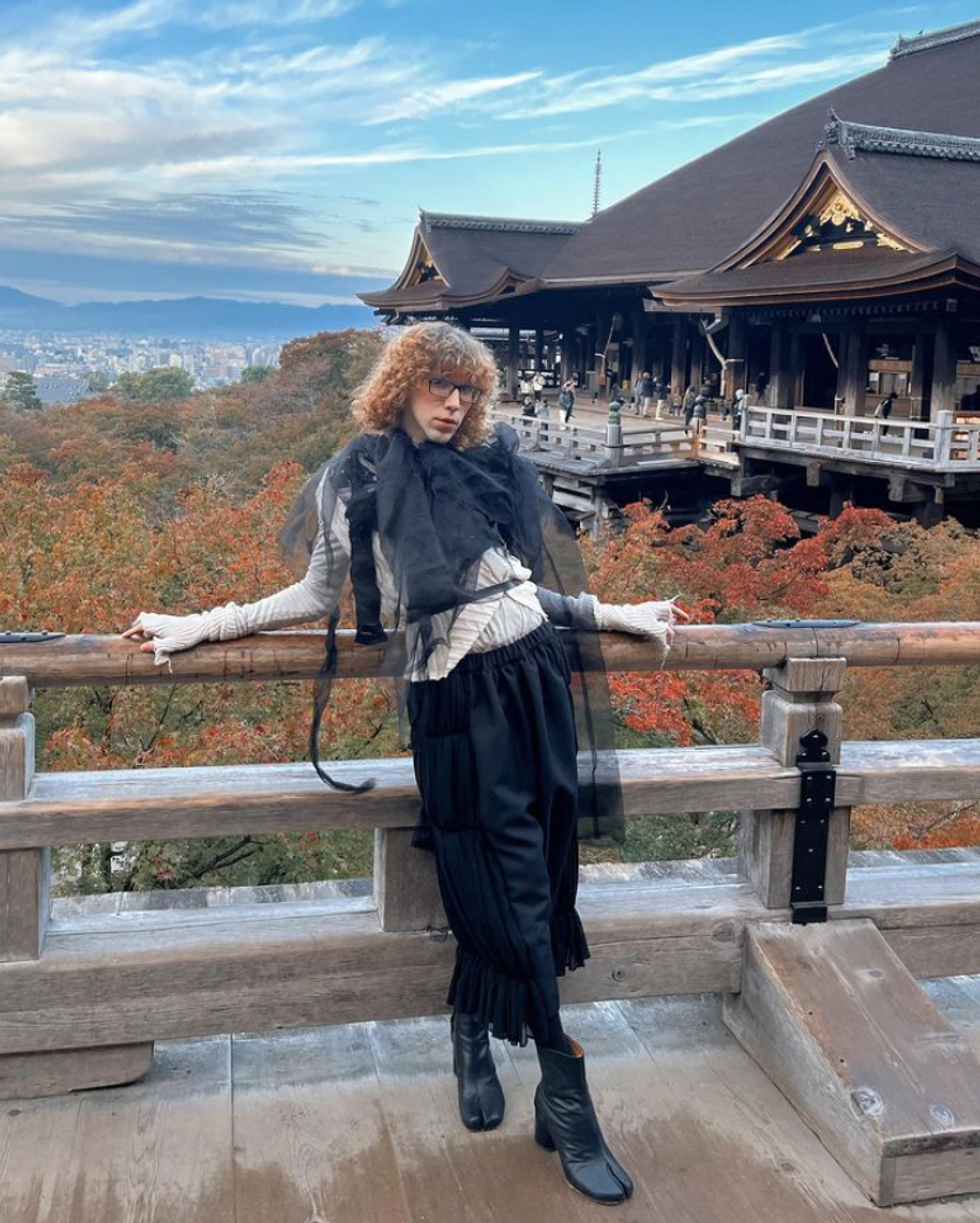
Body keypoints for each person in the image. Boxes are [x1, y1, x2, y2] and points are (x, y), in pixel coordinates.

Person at [122, 321, 683, 1207]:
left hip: (535, 677)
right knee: (498, 879)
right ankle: (566, 1090)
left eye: (465, 390)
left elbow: (512, 585)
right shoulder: (358, 474)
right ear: (402, 387)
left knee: (547, 866)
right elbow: (316, 592)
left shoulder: (492, 461)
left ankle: (472, 1026)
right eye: (438, 387)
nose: (454, 404)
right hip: (457, 703)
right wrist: (205, 623)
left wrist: (611, 613)